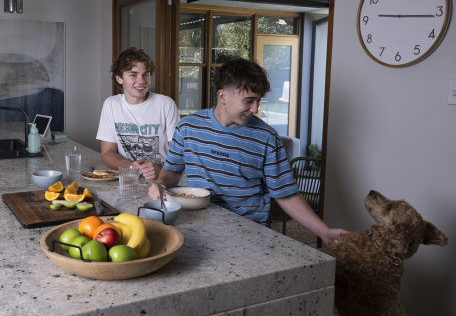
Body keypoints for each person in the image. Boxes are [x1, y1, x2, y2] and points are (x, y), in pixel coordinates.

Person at [148, 58, 345, 245]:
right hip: (199, 228)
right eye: (249, 101)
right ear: (223, 96)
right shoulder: (187, 128)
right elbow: (172, 172)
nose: (255, 108)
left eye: (259, 101)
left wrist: (324, 232)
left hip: (252, 234)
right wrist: (160, 185)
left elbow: (286, 194)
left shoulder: (267, 138)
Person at [96, 47, 179, 180]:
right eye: (133, 75)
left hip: (161, 180)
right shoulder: (111, 104)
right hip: (128, 179)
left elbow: (178, 155)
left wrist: (159, 169)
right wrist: (131, 166)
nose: (141, 81)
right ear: (119, 79)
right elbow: (107, 153)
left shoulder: (166, 104)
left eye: (145, 74)